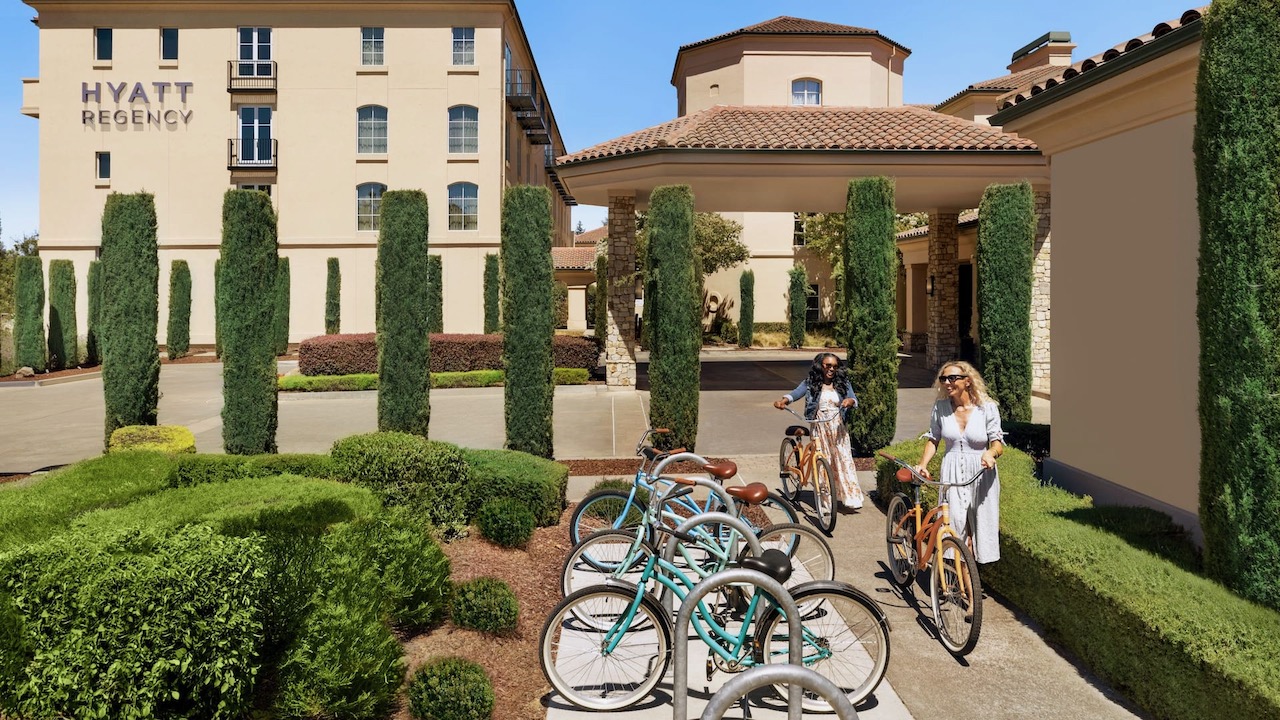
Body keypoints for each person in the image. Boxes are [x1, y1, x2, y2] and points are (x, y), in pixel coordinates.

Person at [913, 360, 1004, 563]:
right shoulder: (941, 407)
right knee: (954, 525)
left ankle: (971, 582)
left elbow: (998, 444)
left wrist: (990, 453)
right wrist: (923, 464)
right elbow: (933, 439)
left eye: (952, 378)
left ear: (968, 381)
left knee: (981, 525)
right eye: (943, 378)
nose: (947, 382)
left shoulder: (987, 408)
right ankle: (960, 585)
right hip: (951, 471)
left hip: (982, 473)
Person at [773, 352, 864, 512]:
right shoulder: (811, 382)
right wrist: (784, 401)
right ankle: (826, 502)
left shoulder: (843, 382)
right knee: (823, 463)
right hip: (819, 427)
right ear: (820, 366)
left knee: (843, 461)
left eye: (835, 366)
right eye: (827, 365)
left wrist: (850, 401)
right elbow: (796, 393)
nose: (831, 369)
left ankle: (850, 497)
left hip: (838, 429)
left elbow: (853, 399)